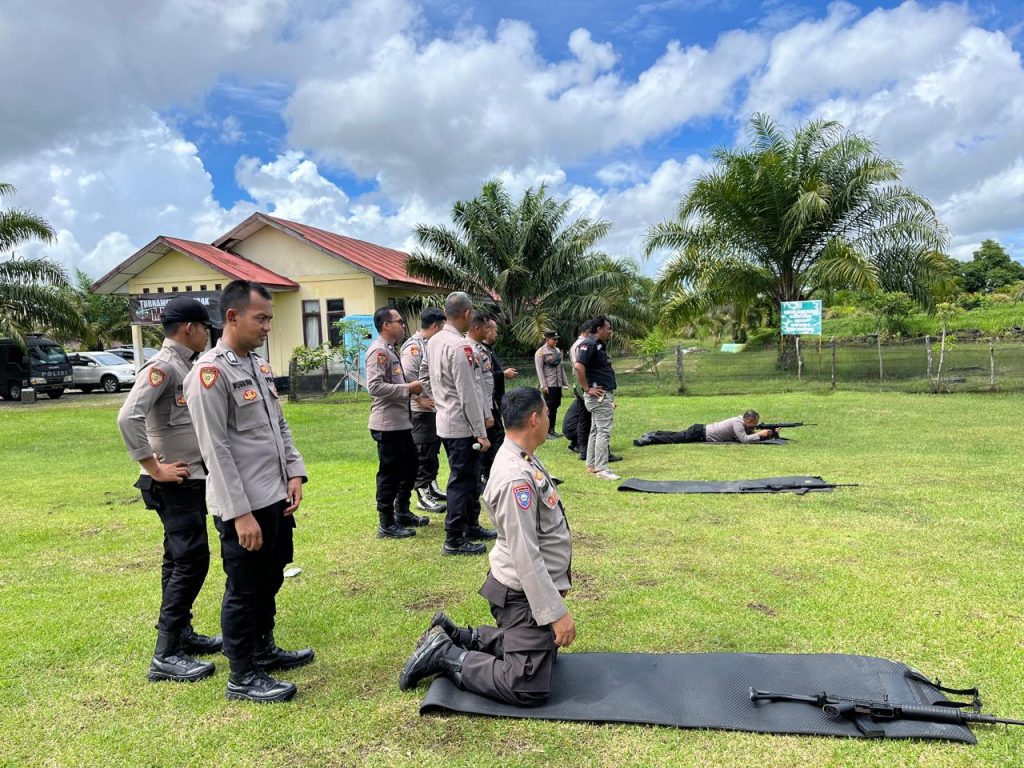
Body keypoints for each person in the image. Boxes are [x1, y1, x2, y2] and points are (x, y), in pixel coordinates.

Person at [399, 387, 574, 705]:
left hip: (526, 591)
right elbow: (525, 555)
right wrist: (555, 612)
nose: (550, 420)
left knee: (546, 655)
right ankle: (447, 654)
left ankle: (460, 637)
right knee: (527, 686)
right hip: (520, 595)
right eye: (547, 414)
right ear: (535, 419)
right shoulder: (515, 478)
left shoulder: (522, 457)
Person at [184, 280, 313, 703]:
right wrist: (239, 514)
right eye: (261, 318)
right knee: (244, 588)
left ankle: (263, 648)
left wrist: (294, 472)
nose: (268, 326)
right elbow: (214, 450)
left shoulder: (255, 365)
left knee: (271, 575)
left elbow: (279, 425)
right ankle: (242, 675)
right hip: (244, 505)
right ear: (232, 317)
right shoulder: (210, 374)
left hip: (274, 494)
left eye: (270, 318)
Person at [116, 296, 221, 684]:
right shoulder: (163, 367)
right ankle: (166, 654)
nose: (209, 334)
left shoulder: (184, 365)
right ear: (190, 328)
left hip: (190, 479)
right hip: (173, 481)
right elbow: (129, 416)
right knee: (191, 560)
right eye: (205, 327)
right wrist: (153, 466)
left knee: (177, 560)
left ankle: (182, 633)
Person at [428, 292, 497, 556]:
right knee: (462, 480)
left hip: (446, 419)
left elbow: (426, 375)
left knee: (468, 478)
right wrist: (480, 432)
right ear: (467, 314)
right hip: (462, 425)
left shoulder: (435, 340)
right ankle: (454, 538)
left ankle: (470, 525)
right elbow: (468, 393)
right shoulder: (460, 346)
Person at [366, 306, 428, 538]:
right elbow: (375, 387)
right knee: (390, 473)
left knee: (410, 467)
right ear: (385, 325)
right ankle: (386, 523)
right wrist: (408, 388)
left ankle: (402, 511)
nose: (403, 325)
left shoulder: (391, 350)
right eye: (399, 321)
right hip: (387, 424)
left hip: (401, 422)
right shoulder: (378, 352)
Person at [400, 308, 448, 514]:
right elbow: (407, 376)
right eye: (443, 327)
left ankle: (431, 485)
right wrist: (419, 399)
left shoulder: (429, 344)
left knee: (432, 450)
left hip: (433, 407)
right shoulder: (414, 347)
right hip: (420, 409)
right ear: (435, 326)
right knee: (423, 451)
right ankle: (422, 493)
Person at [574, 316, 619, 480]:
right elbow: (578, 366)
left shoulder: (598, 345)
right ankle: (602, 468)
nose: (610, 331)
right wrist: (587, 388)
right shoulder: (590, 344)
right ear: (599, 329)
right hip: (599, 395)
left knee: (595, 429)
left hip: (602, 394)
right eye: (608, 328)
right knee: (603, 431)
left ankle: (592, 465)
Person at [479, 317, 517, 484]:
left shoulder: (489, 351)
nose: (496, 334)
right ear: (487, 330)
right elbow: (480, 378)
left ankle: (494, 473)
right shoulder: (478, 350)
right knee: (494, 438)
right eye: (495, 330)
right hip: (488, 403)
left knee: (498, 438)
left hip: (496, 401)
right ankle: (488, 474)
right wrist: (503, 374)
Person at [633, 409, 775, 446]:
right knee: (675, 439)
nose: (755, 425)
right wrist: (760, 434)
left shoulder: (741, 422)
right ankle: (650, 439)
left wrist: (771, 433)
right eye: (754, 423)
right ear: (749, 420)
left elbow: (745, 435)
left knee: (677, 435)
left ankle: (654, 433)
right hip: (700, 433)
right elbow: (744, 440)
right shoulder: (737, 423)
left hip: (701, 430)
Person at [534, 331, 568, 439]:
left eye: (557, 339)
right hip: (549, 384)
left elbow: (560, 368)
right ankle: (546, 432)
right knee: (548, 409)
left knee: (555, 407)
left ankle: (552, 430)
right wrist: (544, 386)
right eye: (554, 339)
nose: (556, 341)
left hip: (557, 383)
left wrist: (565, 382)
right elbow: (539, 370)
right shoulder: (541, 352)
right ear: (547, 339)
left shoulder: (557, 350)